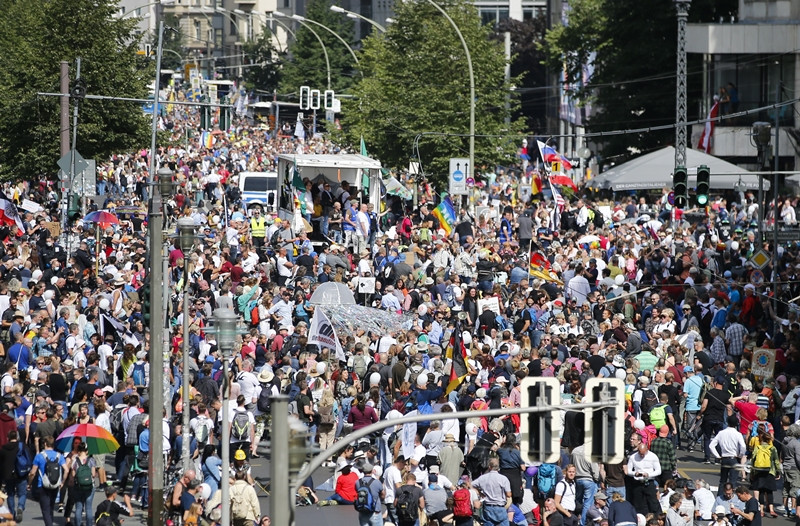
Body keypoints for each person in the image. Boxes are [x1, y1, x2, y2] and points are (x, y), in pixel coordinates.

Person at [27, 435, 65, 526]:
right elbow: (66, 469)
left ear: (45, 444)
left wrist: (30, 483)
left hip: (42, 485)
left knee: (45, 510)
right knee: (51, 507)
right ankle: (50, 523)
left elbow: (33, 472)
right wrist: (62, 481)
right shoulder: (59, 456)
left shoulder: (39, 456)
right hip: (55, 484)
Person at [709, 415, 747, 490]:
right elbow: (743, 446)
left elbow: (711, 445)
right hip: (734, 458)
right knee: (733, 481)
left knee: (723, 481)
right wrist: (740, 455)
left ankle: (719, 497)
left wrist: (717, 456)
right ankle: (730, 498)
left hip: (724, 458)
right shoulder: (738, 434)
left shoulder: (721, 433)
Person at [472, 457, 512, 526]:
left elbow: (470, 485)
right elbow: (508, 494)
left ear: (489, 467)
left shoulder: (483, 478)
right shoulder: (503, 479)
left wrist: (479, 492)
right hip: (500, 507)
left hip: (488, 507)